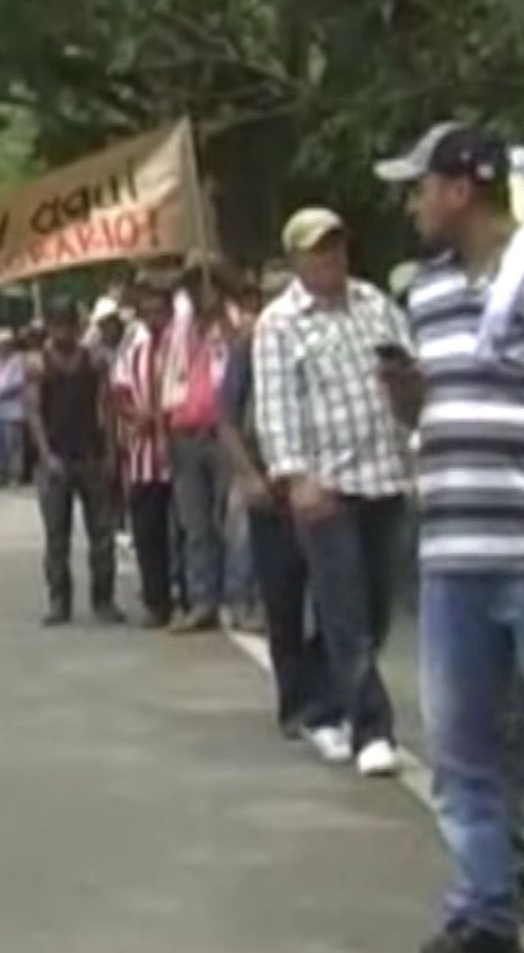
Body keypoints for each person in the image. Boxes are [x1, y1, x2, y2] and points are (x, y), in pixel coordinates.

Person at [373, 124, 524, 953]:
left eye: (419, 185)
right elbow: (427, 413)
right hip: (452, 552)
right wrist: (405, 395)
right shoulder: (423, 293)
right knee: (463, 748)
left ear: (461, 189)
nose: (411, 201)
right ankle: (484, 914)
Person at [253, 206, 411, 781]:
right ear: (296, 259)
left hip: (386, 476)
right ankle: (374, 727)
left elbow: (408, 377)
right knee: (345, 610)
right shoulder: (279, 323)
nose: (330, 259)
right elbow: (274, 409)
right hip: (327, 485)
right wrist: (295, 476)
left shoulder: (375, 305)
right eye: (317, 249)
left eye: (337, 246)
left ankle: (322, 704)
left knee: (372, 608)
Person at [220, 261, 333, 741]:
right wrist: (247, 476)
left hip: (325, 483)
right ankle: (296, 703)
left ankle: (332, 696)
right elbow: (225, 416)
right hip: (271, 489)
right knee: (283, 602)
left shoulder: (324, 337)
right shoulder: (249, 345)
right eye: (267, 293)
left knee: (337, 602)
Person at [27, 298, 122, 626]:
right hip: (56, 458)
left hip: (90, 454)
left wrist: (111, 450)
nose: (64, 332)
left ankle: (104, 599)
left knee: (102, 534)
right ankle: (59, 601)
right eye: (58, 326)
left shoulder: (93, 362)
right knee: (57, 537)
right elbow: (34, 412)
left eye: (69, 325)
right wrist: (45, 454)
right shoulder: (39, 365)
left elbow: (106, 407)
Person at [163, 262, 241, 633]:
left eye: (203, 285)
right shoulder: (178, 331)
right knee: (194, 525)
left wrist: (221, 321)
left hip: (223, 433)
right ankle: (202, 600)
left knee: (229, 521)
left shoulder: (235, 325)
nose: (197, 294)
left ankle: (237, 599)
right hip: (185, 433)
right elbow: (167, 381)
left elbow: (239, 355)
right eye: (191, 288)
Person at [113, 281, 181, 627]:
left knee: (183, 530)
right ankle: (157, 601)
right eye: (148, 311)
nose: (154, 318)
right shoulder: (134, 345)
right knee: (148, 532)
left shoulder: (181, 341)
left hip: (177, 449)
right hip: (143, 454)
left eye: (160, 311)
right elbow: (119, 390)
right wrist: (135, 417)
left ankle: (186, 595)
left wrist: (164, 417)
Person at [0, 331, 29, 487]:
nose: (1, 348)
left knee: (14, 444)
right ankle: (3, 473)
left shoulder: (17, 361)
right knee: (3, 444)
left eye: (4, 345)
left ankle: (15, 475)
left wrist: (0, 394)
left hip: (14, 408)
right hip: (0, 408)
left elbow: (18, 384)